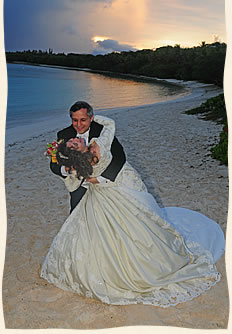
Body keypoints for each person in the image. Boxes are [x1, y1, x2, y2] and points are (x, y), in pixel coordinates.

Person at [41, 114, 225, 308]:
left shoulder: (83, 159)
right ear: (78, 152)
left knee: (124, 229)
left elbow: (73, 184)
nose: (74, 138)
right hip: (110, 195)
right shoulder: (98, 146)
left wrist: (90, 179)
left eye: (73, 139)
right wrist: (95, 119)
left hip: (108, 194)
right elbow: (110, 124)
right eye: (74, 143)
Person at [50, 101, 126, 212]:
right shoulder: (63, 134)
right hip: (79, 184)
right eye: (75, 120)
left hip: (105, 181)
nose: (79, 125)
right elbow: (53, 164)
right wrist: (66, 169)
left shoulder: (101, 131)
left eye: (83, 120)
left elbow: (119, 156)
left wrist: (99, 179)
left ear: (91, 118)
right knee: (76, 215)